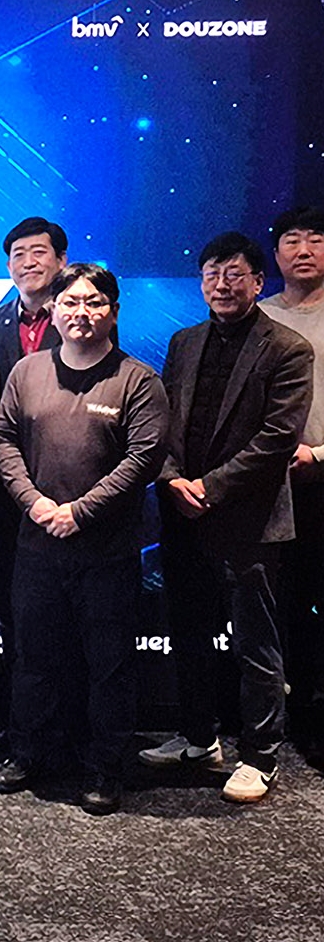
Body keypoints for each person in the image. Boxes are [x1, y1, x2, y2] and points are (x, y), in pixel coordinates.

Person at [0, 263, 167, 815]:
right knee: (33, 659)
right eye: (70, 303)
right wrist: (34, 502)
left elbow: (143, 459)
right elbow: (3, 439)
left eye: (93, 303)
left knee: (109, 666)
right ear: (54, 310)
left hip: (106, 553)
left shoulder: (137, 380)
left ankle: (105, 769)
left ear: (113, 312)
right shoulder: (27, 371)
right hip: (37, 546)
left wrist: (80, 513)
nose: (80, 313)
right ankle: (28, 753)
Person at [144, 231, 313, 803]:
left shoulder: (288, 348)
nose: (222, 284)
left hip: (249, 520)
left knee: (255, 643)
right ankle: (199, 739)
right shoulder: (184, 340)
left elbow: (277, 439)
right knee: (188, 633)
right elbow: (165, 420)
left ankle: (261, 755)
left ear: (257, 282)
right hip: (183, 513)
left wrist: (209, 488)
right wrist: (171, 478)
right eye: (212, 274)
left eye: (234, 274)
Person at [0, 217, 67, 756]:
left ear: (60, 260)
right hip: (8, 493)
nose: (28, 263)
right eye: (18, 255)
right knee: (14, 609)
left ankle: (66, 732)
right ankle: (21, 728)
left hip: (69, 491)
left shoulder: (82, 314)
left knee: (66, 615)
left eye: (39, 252)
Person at [259, 207, 324, 762]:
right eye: (292, 241)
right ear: (276, 254)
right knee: (278, 605)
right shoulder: (256, 315)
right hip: (268, 485)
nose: (304, 250)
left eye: (316, 240)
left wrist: (317, 454)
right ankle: (281, 719)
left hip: (321, 475)